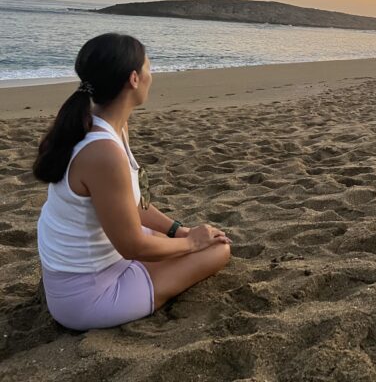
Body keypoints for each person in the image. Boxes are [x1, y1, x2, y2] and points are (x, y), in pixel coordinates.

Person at [33, 33, 231, 330]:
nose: (153, 75)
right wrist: (191, 242)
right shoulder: (102, 152)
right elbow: (132, 246)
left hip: (96, 263)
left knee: (192, 242)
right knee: (218, 251)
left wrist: (180, 231)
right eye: (149, 67)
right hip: (86, 295)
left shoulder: (104, 123)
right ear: (134, 79)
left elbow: (131, 204)